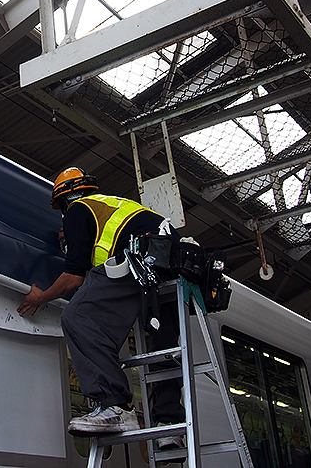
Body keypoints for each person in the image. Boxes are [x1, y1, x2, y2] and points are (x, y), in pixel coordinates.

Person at [18, 167, 184, 443]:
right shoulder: (107, 206)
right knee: (162, 344)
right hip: (171, 261)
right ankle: (170, 423)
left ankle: (114, 405)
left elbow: (73, 278)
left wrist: (41, 297)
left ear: (64, 198)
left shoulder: (77, 210)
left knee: (78, 318)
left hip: (141, 258)